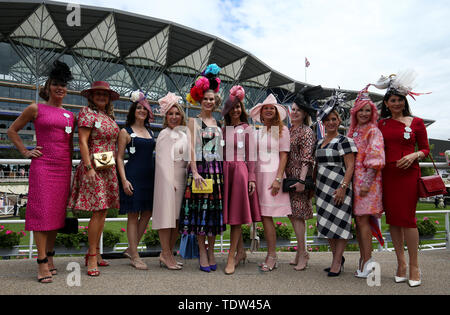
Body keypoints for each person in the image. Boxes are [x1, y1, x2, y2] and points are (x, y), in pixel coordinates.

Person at [7, 60, 75, 283]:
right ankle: (41, 262)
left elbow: (70, 145)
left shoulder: (69, 115)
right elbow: (12, 130)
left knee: (56, 214)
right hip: (43, 167)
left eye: (63, 85)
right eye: (56, 84)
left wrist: (72, 172)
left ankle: (51, 257)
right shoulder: (36, 108)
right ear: (48, 86)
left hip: (64, 169)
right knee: (43, 213)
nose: (60, 88)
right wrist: (26, 152)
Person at [374, 70, 430, 287]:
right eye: (392, 100)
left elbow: (425, 148)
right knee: (393, 220)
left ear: (404, 101)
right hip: (387, 175)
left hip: (408, 175)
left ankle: (415, 265)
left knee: (408, 219)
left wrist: (414, 155)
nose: (396, 103)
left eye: (399, 100)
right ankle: (401, 264)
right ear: (386, 103)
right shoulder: (381, 124)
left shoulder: (416, 122)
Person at [68, 81, 121, 277]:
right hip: (94, 167)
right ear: (91, 96)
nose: (101, 97)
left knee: (103, 210)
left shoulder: (107, 116)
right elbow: (82, 140)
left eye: (104, 94)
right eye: (97, 94)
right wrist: (88, 167)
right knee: (98, 210)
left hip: (107, 167)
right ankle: (91, 255)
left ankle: (97, 253)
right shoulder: (86, 113)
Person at [179, 64, 226, 272]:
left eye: (212, 99)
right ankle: (201, 251)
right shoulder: (193, 121)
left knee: (214, 214)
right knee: (200, 213)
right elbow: (190, 147)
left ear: (216, 101)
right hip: (199, 170)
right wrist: (195, 171)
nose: (209, 101)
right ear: (200, 99)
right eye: (206, 98)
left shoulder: (217, 122)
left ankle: (212, 251)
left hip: (216, 170)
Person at [314, 92, 357, 277]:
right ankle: (336, 257)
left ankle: (337, 261)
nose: (331, 122)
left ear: (339, 121)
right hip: (321, 190)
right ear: (323, 123)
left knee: (340, 224)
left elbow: (350, 166)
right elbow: (315, 167)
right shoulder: (319, 143)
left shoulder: (345, 141)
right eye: (327, 120)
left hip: (339, 188)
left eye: (334, 119)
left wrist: (343, 187)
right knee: (327, 225)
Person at [249, 94, 291, 272]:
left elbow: (283, 156)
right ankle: (270, 254)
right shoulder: (260, 131)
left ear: (276, 112)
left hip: (272, 176)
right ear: (261, 111)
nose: (268, 110)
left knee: (267, 217)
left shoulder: (281, 131)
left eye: (271, 108)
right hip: (259, 175)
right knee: (263, 216)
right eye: (265, 108)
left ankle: (272, 255)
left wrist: (278, 179)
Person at [221, 86, 261, 275]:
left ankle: (231, 257)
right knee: (228, 216)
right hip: (224, 172)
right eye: (233, 107)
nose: (236, 110)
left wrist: (251, 178)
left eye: (239, 107)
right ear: (228, 110)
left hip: (239, 172)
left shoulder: (247, 129)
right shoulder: (223, 129)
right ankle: (241, 252)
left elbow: (252, 155)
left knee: (235, 218)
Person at [347, 85, 385, 278]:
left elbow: (376, 160)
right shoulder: (353, 131)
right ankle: (364, 260)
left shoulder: (373, 131)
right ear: (355, 112)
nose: (364, 113)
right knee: (360, 221)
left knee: (364, 221)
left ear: (372, 112)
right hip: (354, 182)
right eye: (361, 110)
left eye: (367, 110)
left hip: (367, 185)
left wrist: (366, 183)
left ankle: (368, 262)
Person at [117, 90, 155, 270]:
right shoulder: (125, 131)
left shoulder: (150, 131)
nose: (142, 111)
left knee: (147, 213)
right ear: (133, 110)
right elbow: (119, 158)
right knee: (133, 215)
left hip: (150, 177)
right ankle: (135, 255)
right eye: (139, 108)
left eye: (144, 109)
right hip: (132, 176)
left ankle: (130, 249)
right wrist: (124, 180)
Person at [152, 92, 188, 270]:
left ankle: (168, 253)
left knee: (176, 220)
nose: (174, 117)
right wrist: (169, 183)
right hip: (169, 180)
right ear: (166, 116)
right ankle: (166, 253)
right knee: (167, 218)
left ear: (182, 115)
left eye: (177, 113)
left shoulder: (184, 133)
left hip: (182, 179)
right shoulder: (165, 134)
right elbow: (162, 161)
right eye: (170, 114)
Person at [285, 91, 317, 271]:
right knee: (292, 215)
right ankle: (299, 252)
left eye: (298, 110)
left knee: (298, 216)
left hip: (299, 178)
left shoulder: (306, 132)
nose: (294, 112)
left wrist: (302, 181)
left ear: (305, 114)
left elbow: (307, 158)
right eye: (293, 109)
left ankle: (303, 253)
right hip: (289, 177)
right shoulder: (290, 130)